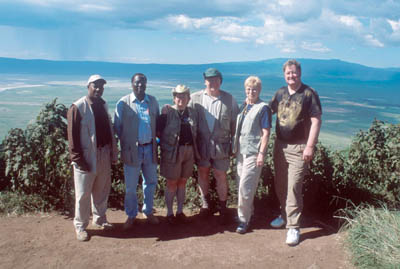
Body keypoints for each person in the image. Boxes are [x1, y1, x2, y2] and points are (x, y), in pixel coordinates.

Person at [269, 59, 322, 246]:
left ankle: (293, 227)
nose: (291, 75)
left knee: (293, 186)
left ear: (300, 73)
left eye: (294, 72)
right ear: (284, 75)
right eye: (288, 73)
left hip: (299, 147)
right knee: (281, 185)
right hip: (280, 147)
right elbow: (268, 112)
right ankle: (284, 216)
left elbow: (316, 121)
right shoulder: (280, 93)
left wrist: (310, 146)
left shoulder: (309, 93)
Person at [67, 74, 118, 241]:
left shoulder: (103, 105)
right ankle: (80, 226)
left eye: (101, 86)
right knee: (82, 194)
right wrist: (78, 159)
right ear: (87, 86)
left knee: (101, 190)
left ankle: (100, 219)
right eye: (95, 86)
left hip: (103, 153)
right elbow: (72, 136)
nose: (98, 89)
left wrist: (112, 152)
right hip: (86, 156)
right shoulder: (77, 107)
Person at [189, 67, 239, 224]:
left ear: (220, 81)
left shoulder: (230, 99)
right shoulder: (194, 98)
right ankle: (205, 206)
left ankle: (223, 208)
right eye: (210, 80)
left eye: (216, 80)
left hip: (221, 147)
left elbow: (235, 126)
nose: (213, 83)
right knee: (202, 174)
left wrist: (234, 147)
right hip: (202, 146)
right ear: (205, 81)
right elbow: (183, 113)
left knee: (221, 176)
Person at [114, 73, 160, 230]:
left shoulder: (152, 102)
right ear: (131, 84)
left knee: (151, 183)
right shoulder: (123, 103)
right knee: (131, 187)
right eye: (137, 83)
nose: (140, 86)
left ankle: (148, 211)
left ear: (146, 84)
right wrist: (127, 144)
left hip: (150, 149)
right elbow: (118, 127)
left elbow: (157, 124)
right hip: (132, 150)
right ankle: (131, 215)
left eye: (143, 83)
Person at [233, 76, 271, 234]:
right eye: (248, 89)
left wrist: (261, 153)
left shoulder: (263, 108)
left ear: (259, 90)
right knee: (241, 184)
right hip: (241, 152)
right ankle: (248, 213)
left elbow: (266, 132)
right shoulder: (244, 105)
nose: (251, 92)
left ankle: (243, 220)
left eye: (254, 89)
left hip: (253, 153)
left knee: (245, 188)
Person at [157, 85, 199, 224]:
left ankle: (180, 211)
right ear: (174, 98)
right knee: (171, 183)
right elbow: (158, 132)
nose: (180, 99)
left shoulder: (192, 113)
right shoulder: (167, 113)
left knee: (182, 182)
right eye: (178, 96)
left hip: (189, 151)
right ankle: (169, 213)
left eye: (183, 96)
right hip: (172, 152)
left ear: (188, 98)